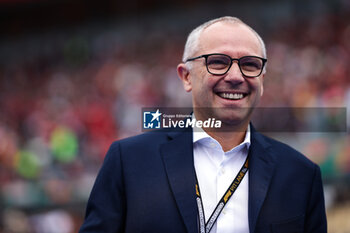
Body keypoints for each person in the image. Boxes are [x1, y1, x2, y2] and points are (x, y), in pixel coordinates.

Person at [79, 16, 327, 233]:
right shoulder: (129, 162)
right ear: (186, 76)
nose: (235, 76)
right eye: (218, 62)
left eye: (250, 65)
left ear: (262, 80)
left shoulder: (301, 174)